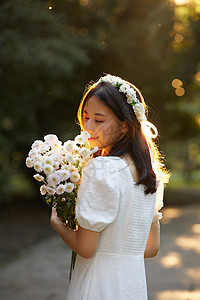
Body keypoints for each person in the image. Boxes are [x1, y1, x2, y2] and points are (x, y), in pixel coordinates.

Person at [50, 74, 170, 299]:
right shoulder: (150, 175)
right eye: (85, 117)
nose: (87, 127)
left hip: (99, 283)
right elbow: (151, 249)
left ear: (125, 125)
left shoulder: (102, 169)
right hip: (132, 284)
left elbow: (86, 248)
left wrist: (58, 224)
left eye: (98, 119)